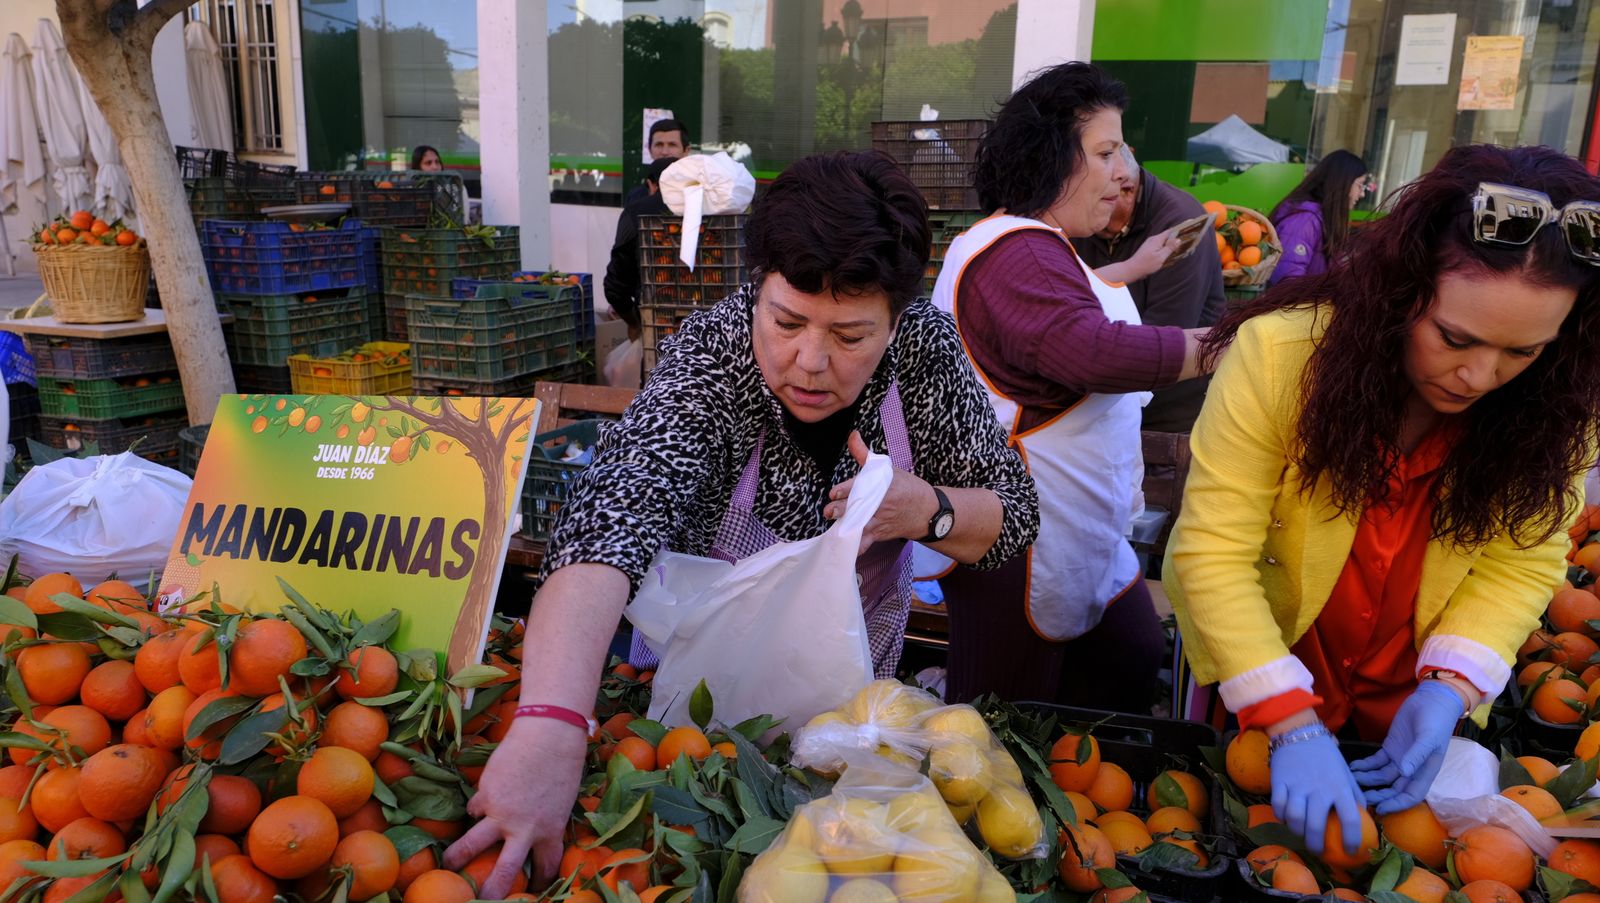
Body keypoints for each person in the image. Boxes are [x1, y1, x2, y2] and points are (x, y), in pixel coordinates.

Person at [443, 150, 1040, 896]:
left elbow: (1011, 517)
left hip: (856, 730)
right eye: (786, 321)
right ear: (756, 290)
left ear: (895, 320)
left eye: (850, 336)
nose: (809, 361)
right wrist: (550, 724)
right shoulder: (714, 353)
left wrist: (927, 508)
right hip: (696, 733)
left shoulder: (925, 352)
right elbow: (610, 518)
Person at [1164, 143, 1600, 857]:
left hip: (1406, 686)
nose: (1480, 375)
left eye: (1523, 351)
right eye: (1454, 337)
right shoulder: (1280, 357)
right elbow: (1211, 549)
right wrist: (1288, 717)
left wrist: (1451, 688)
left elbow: (1522, 561)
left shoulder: (1559, 408)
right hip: (1259, 658)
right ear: (1402, 292)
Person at [931, 62, 1212, 713]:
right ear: (1050, 158)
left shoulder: (1039, 245)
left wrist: (1133, 266)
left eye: (1124, 151)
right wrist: (1224, 346)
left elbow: (1064, 307)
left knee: (1131, 655)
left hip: (1081, 530)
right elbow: (1085, 349)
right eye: (1106, 152)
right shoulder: (1018, 252)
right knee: (999, 734)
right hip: (1023, 547)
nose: (1126, 173)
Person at [1078, 144, 1228, 432]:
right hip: (1101, 402)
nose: (1080, 205)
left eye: (1095, 197)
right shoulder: (1086, 220)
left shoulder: (1179, 224)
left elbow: (1166, 330)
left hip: (1166, 414)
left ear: (1127, 189)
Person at [1268, 149, 1369, 286]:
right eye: (1360, 185)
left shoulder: (1322, 219)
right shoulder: (1304, 221)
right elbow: (1286, 281)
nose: (1362, 194)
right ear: (1342, 182)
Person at [602, 155, 678, 333]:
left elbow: (615, 286)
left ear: (652, 184)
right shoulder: (717, 210)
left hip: (656, 324)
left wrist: (634, 324)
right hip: (713, 325)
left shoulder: (636, 212)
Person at [624, 119, 691, 205]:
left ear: (686, 151)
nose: (664, 152)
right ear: (649, 150)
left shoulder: (698, 193)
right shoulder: (635, 197)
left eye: (672, 145)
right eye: (659, 145)